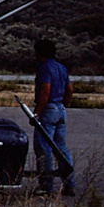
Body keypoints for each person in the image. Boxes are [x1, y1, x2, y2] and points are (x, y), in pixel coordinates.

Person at [32, 37, 77, 197]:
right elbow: (70, 89)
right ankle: (69, 183)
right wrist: (64, 104)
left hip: (48, 109)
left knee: (44, 149)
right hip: (60, 109)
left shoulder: (44, 68)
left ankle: (46, 185)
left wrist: (37, 112)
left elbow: (45, 90)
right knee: (61, 148)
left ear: (40, 52)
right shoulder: (61, 68)